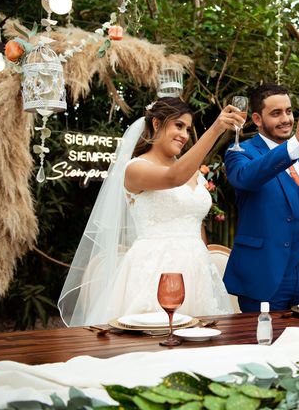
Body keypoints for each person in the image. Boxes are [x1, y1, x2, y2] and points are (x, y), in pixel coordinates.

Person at [58, 97, 244, 326]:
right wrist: (216, 129)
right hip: (155, 271)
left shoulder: (195, 173)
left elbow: (195, 224)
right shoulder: (136, 169)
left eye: (188, 129)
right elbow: (174, 177)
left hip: (197, 270)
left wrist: (203, 264)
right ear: (156, 123)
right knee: (155, 340)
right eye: (178, 125)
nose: (184, 135)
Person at [223, 83, 299, 312]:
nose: (286, 119)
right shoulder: (240, 153)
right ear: (256, 118)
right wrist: (296, 143)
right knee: (262, 345)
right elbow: (247, 178)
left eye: (289, 111)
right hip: (264, 275)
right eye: (276, 113)